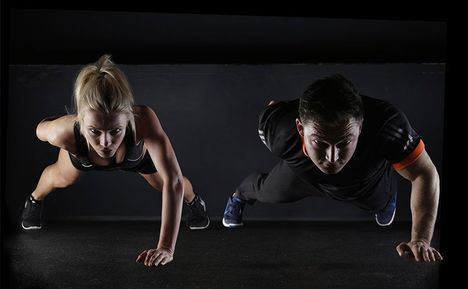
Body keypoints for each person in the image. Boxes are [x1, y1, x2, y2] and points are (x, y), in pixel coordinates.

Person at [222, 74, 443, 263]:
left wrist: (421, 239)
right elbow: (273, 108)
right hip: (302, 176)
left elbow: (424, 173)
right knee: (266, 191)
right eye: (320, 142)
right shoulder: (278, 130)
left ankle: (385, 198)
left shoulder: (387, 124)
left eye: (344, 142)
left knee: (380, 202)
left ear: (362, 125)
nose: (332, 157)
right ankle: (239, 196)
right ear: (300, 128)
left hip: (363, 183)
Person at [20, 54, 210, 267]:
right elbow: (40, 128)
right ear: (82, 120)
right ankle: (34, 200)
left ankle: (194, 202)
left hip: (134, 158)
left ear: (128, 118)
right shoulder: (62, 133)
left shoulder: (143, 120)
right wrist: (64, 123)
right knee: (62, 178)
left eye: (115, 130)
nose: (105, 142)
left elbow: (173, 181)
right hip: (83, 153)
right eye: (95, 131)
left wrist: (166, 246)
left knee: (164, 182)